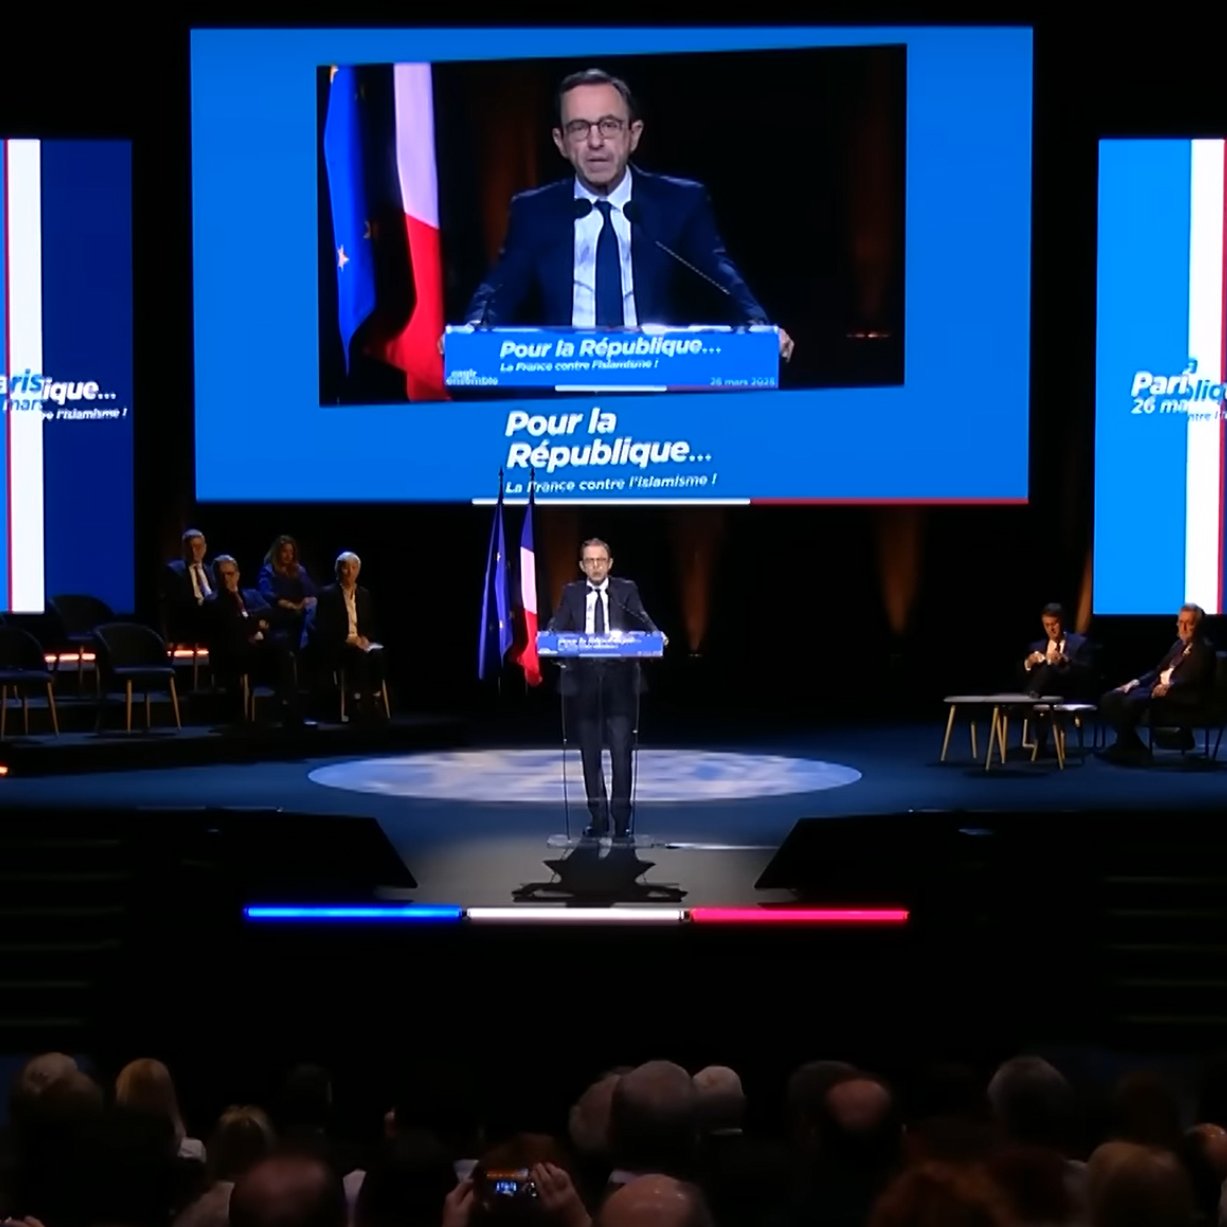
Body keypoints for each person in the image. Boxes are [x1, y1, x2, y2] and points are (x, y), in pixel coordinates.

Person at [461, 68, 794, 361]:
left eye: (609, 125)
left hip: (655, 383)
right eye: (579, 128)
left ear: (633, 134)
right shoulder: (534, 210)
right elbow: (500, 288)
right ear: (560, 142)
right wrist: (473, 330)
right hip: (562, 389)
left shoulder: (679, 202)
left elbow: (722, 277)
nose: (595, 141)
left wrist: (758, 327)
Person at [547, 538, 665, 839]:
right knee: (589, 754)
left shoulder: (625, 590)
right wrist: (546, 637)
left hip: (620, 685)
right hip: (583, 682)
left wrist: (655, 634)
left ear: (610, 564)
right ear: (582, 565)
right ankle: (597, 818)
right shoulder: (571, 592)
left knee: (621, 753)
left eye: (601, 560)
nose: (596, 566)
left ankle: (621, 820)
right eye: (590, 561)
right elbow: (558, 625)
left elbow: (642, 617)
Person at [1098, 603, 1216, 763]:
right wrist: (1134, 683)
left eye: (1189, 623)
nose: (1183, 627)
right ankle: (1131, 745)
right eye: (1180, 622)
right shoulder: (1178, 645)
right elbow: (1157, 670)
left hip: (1179, 697)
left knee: (1131, 702)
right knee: (1110, 698)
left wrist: (1171, 686)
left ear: (1199, 626)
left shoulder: (1204, 649)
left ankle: (1128, 748)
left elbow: (1194, 678)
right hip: (1155, 690)